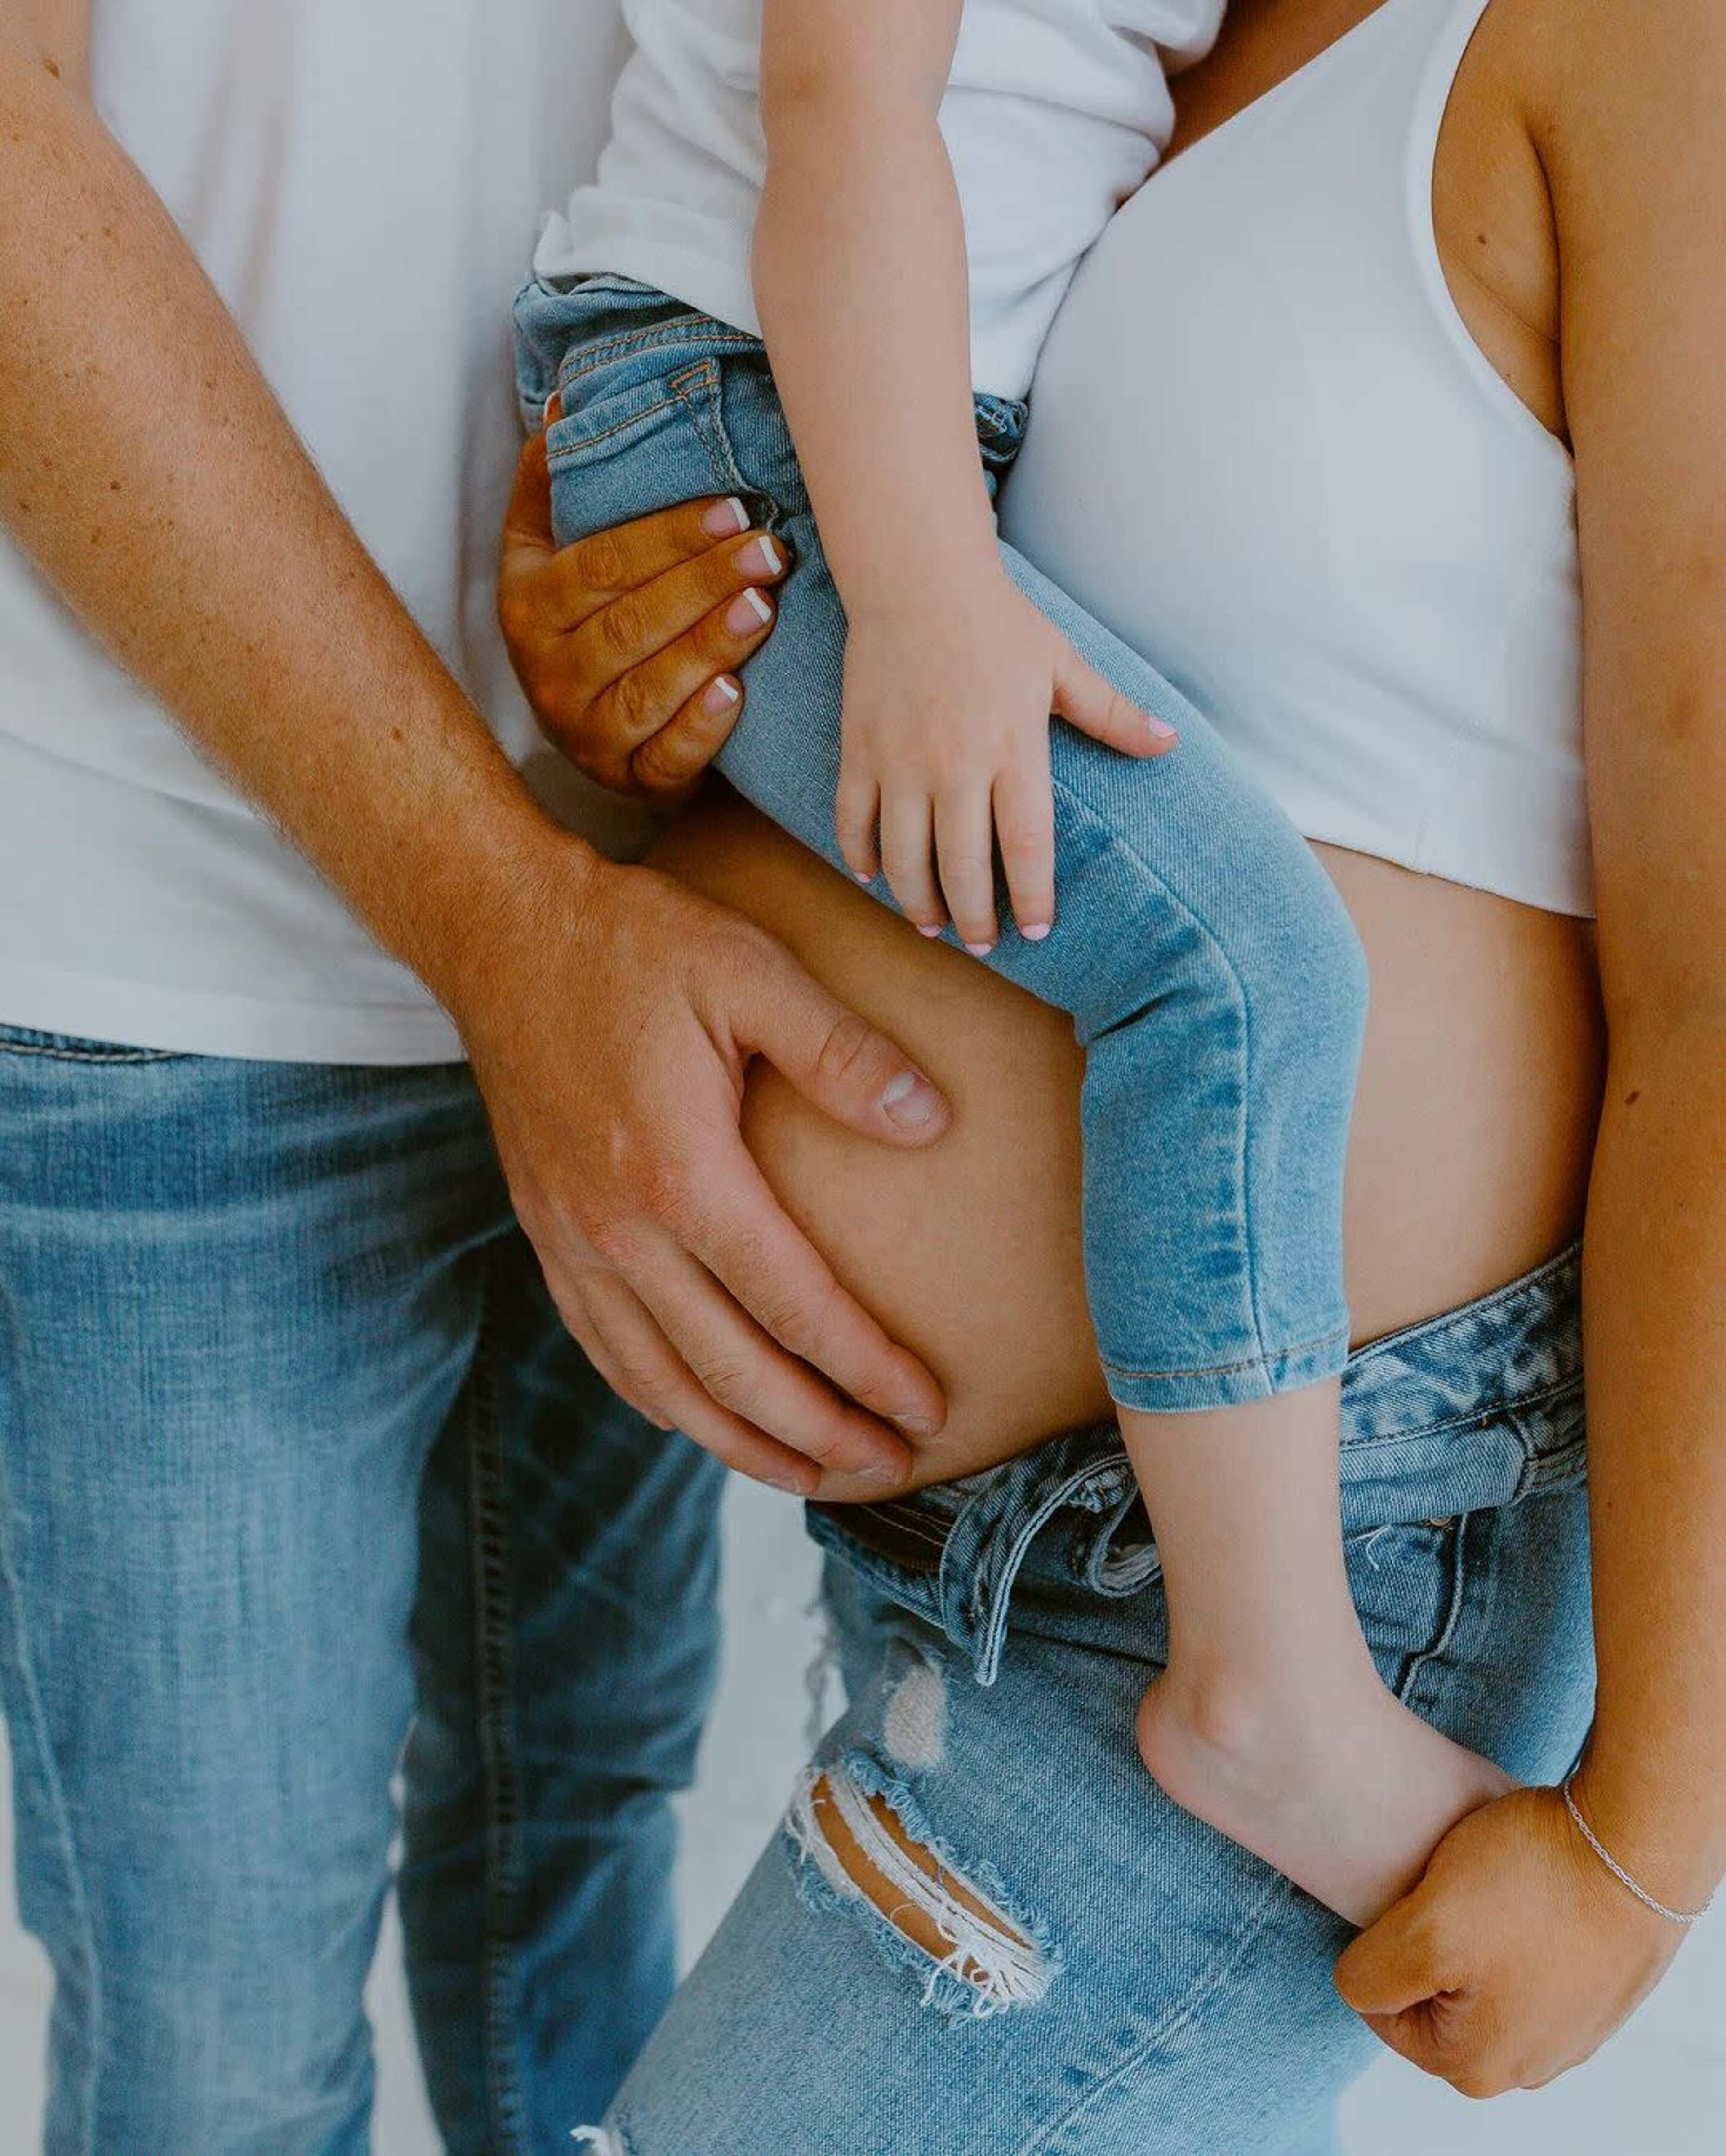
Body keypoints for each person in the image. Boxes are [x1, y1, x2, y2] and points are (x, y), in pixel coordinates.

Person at [499, 0, 1726, 2144]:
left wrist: (1656, 1834)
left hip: (1303, 1576)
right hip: (978, 1549)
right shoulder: (1164, 32)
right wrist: (653, 630)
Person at [0, 1, 959, 2147]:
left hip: (668, 887)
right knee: (218, 2051)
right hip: (161, 951)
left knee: (584, 1842)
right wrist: (505, 915)